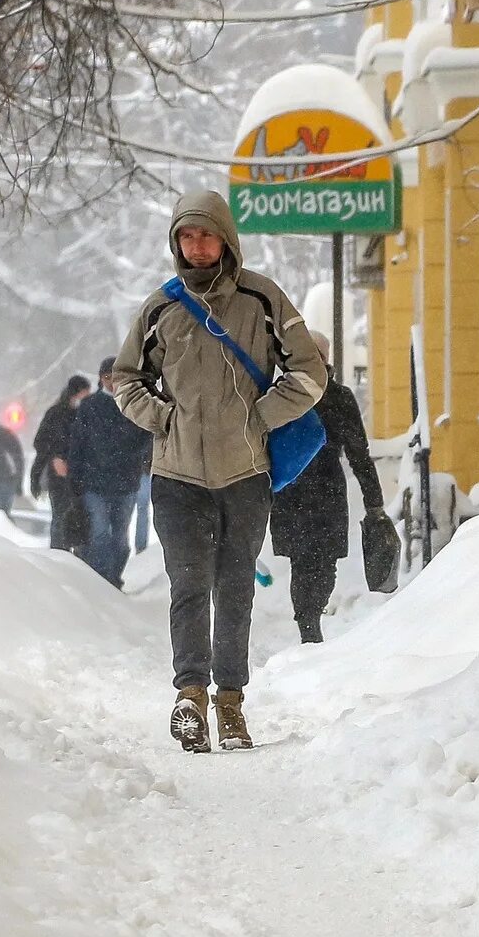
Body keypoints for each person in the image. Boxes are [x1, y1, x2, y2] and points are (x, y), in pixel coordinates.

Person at [114, 189, 327, 752]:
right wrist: (162, 420)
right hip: (177, 476)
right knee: (189, 586)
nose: (197, 245)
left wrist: (261, 418)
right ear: (176, 243)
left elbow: (308, 370)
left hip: (245, 474)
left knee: (234, 589)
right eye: (186, 236)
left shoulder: (261, 299)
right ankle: (190, 698)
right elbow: (125, 379)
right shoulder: (160, 307)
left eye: (206, 235)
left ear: (226, 239)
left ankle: (231, 705)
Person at [269, 333, 385, 644]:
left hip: (314, 492)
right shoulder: (282, 396)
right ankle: (308, 622)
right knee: (306, 561)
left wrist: (374, 502)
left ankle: (310, 616)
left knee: (320, 561)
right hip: (300, 491)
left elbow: (360, 453)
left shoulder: (331, 398)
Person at [67, 356, 150, 587]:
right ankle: (101, 582)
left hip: (125, 483)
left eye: (117, 377)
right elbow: (78, 444)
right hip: (95, 484)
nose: (112, 382)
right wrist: (75, 479)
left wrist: (133, 459)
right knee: (99, 534)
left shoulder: (133, 406)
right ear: (100, 378)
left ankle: (112, 578)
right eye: (107, 377)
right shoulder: (89, 407)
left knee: (121, 540)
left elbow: (146, 437)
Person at [29, 374, 90, 552]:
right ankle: (58, 553)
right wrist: (55, 457)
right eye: (83, 392)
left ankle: (75, 554)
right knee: (60, 515)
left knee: (79, 516)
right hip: (58, 475)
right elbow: (41, 441)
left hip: (80, 474)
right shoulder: (55, 413)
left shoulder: (86, 413)